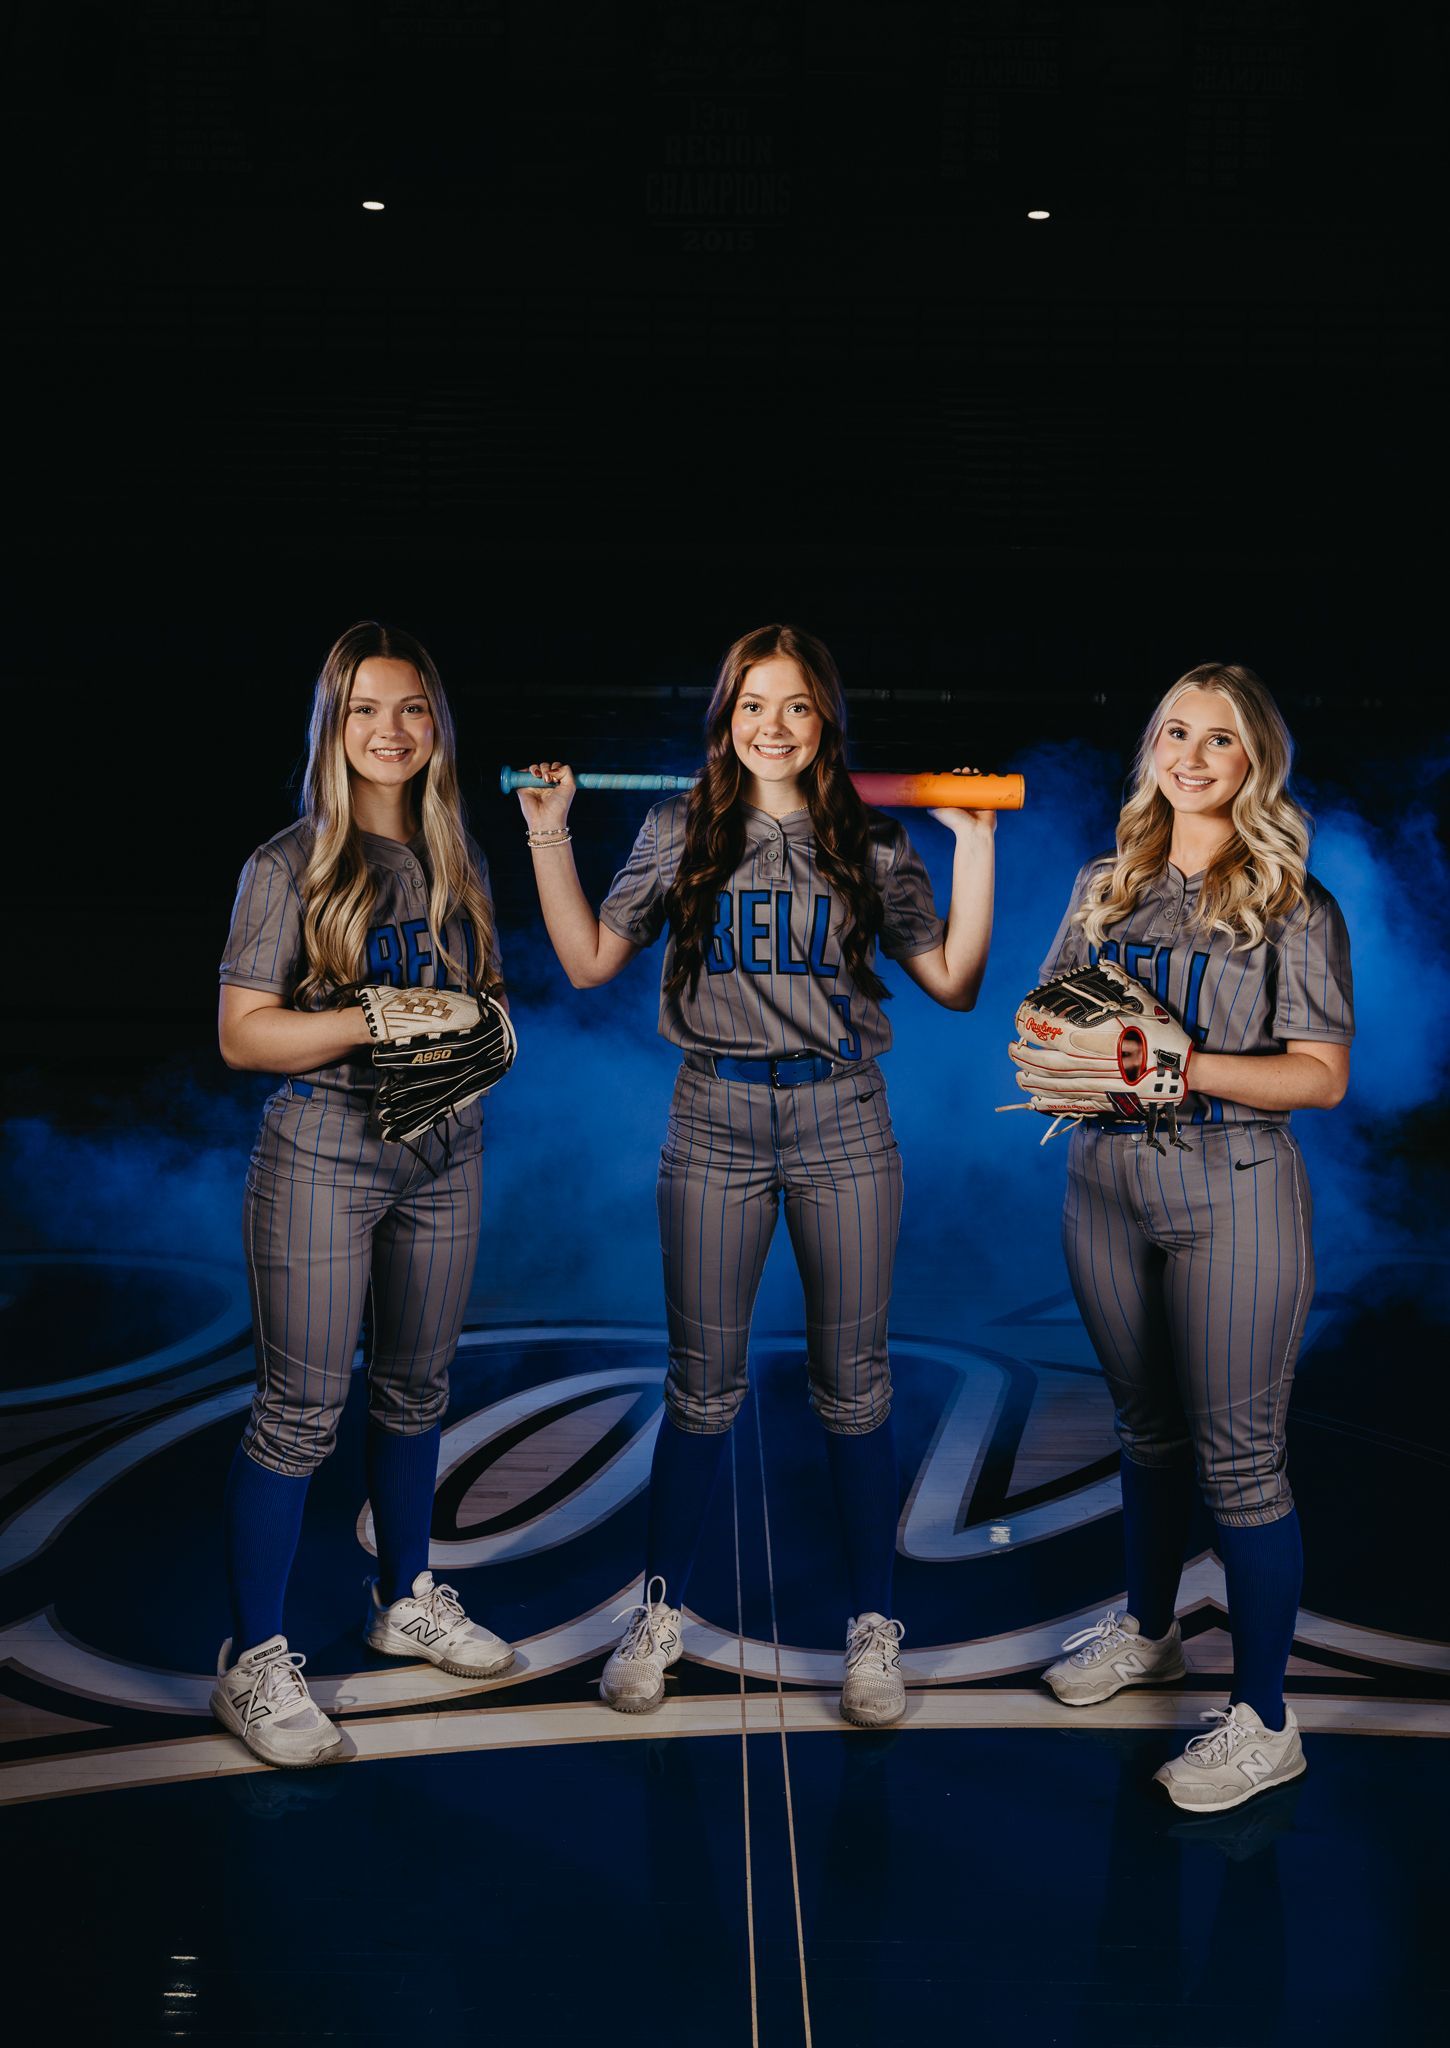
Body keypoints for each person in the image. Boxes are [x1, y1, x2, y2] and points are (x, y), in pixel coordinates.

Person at [519, 623, 996, 1726]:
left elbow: (957, 985)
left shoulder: (872, 842)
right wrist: (549, 834)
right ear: (724, 720)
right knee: (700, 1385)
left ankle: (872, 1628)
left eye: (793, 705)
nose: (771, 726)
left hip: (841, 1119)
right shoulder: (678, 826)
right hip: (715, 1117)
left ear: (823, 719)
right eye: (750, 705)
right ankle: (659, 1611)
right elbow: (591, 961)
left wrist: (971, 842)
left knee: (855, 1383)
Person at [1030, 663, 1353, 1810]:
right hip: (1103, 1180)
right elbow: (1047, 1015)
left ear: (1252, 764)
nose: (1192, 755)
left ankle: (1266, 1720)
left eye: (1220, 740)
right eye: (1175, 730)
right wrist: (1054, 1049)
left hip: (1232, 1182)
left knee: (1240, 1459)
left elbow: (1319, 1074)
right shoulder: (1103, 882)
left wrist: (1173, 1065)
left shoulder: (1292, 902)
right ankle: (1152, 1632)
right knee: (1146, 1428)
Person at [213, 620, 514, 1768]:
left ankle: (405, 1597)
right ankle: (252, 1656)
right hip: (325, 1149)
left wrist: (478, 1033)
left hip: (442, 1151)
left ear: (435, 727)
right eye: (364, 711)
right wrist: (376, 1016)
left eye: (411, 709)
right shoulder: (287, 862)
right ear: (332, 729)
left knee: (416, 1387)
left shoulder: (456, 858)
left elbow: (477, 1003)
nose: (390, 731)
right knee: (298, 1411)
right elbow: (243, 1033)